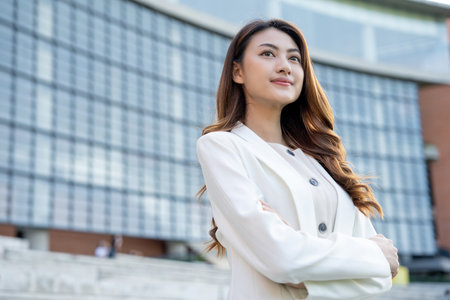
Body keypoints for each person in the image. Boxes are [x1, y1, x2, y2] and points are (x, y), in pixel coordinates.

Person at [195, 19, 399, 300]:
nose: (285, 66)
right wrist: (371, 256)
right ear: (237, 71)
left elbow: (381, 278)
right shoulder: (222, 147)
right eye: (268, 54)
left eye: (294, 58)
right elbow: (281, 257)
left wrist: (307, 277)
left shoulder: (321, 161)